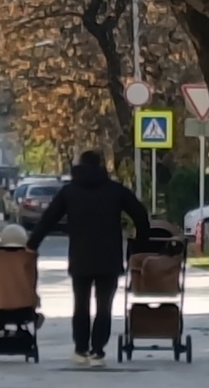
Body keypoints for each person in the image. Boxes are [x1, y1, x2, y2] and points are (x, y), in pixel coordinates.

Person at [26, 150, 149, 367]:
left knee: (80, 305)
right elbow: (140, 215)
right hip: (109, 259)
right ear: (101, 165)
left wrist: (31, 245)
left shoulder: (69, 192)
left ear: (79, 166)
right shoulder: (115, 191)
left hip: (80, 257)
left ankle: (80, 349)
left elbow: (48, 220)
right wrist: (139, 245)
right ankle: (98, 352)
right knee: (104, 307)